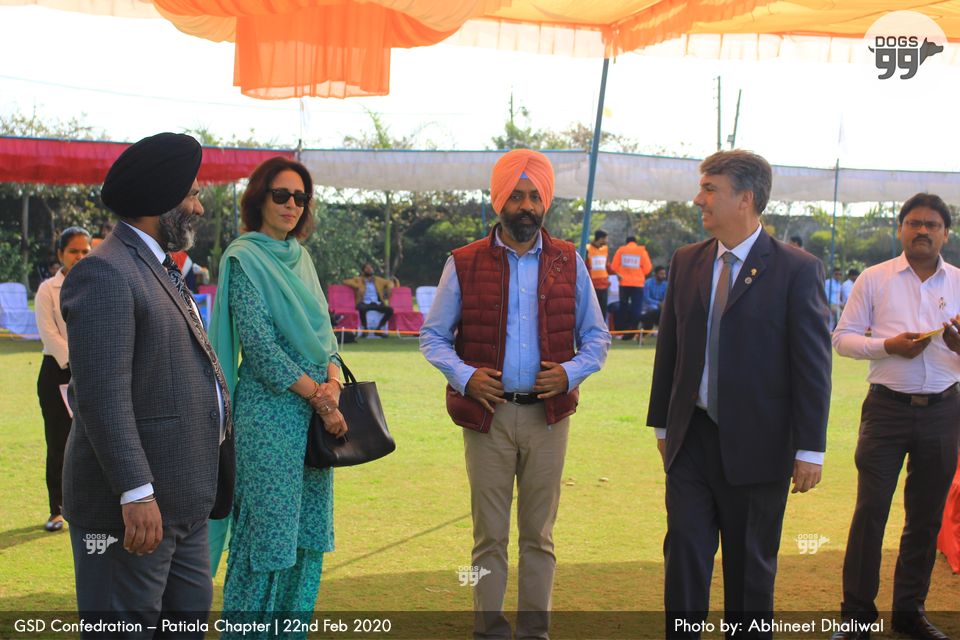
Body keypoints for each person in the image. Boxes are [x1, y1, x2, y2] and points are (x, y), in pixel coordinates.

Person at [420, 149, 610, 640]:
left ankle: (534, 632)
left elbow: (597, 338)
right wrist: (466, 377)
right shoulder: (464, 262)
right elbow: (433, 338)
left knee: (539, 536)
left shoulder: (569, 261)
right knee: (488, 537)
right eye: (516, 196)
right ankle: (489, 631)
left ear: (545, 201)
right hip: (489, 416)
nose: (526, 206)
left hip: (549, 417)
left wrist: (568, 373)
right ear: (498, 200)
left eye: (534, 196)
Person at [646, 149, 831, 638]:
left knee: (750, 570)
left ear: (745, 198)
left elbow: (812, 367)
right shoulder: (686, 261)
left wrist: (810, 448)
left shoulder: (797, 270)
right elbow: (670, 347)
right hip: (691, 440)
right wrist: (662, 424)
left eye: (710, 189)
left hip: (760, 447)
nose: (698, 199)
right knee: (684, 556)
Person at [60, 132, 232, 632]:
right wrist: (136, 493)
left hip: (183, 503)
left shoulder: (156, 266)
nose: (198, 207)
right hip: (133, 512)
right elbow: (101, 397)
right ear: (163, 198)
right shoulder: (105, 272)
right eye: (192, 194)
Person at [208, 156, 346, 634]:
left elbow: (326, 338)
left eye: (300, 198)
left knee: (307, 536)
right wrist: (321, 399)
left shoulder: (301, 258)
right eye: (281, 195)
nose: (292, 205)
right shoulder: (243, 258)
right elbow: (262, 350)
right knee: (265, 540)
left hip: (317, 421)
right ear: (259, 198)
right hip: (269, 419)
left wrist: (333, 384)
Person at [831, 193, 960, 640]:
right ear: (901, 229)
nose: (922, 230)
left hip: (944, 409)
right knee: (871, 513)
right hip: (886, 409)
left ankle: (909, 613)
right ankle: (856, 616)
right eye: (914, 223)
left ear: (946, 233)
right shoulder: (875, 278)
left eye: (932, 224)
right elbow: (843, 339)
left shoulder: (959, 281)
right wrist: (888, 346)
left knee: (926, 517)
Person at [35, 226, 91, 532]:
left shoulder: (98, 283)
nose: (79, 257)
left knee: (94, 442)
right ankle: (56, 510)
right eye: (73, 251)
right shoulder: (47, 289)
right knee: (59, 442)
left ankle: (89, 507)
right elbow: (49, 334)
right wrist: (80, 359)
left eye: (85, 251)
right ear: (60, 254)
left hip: (92, 372)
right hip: (58, 371)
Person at [610, 235, 652, 340]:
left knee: (623, 307)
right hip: (638, 284)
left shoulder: (621, 250)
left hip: (624, 283)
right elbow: (648, 268)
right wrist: (639, 274)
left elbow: (614, 266)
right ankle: (633, 331)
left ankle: (621, 331)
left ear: (626, 242)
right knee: (636, 308)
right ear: (635, 242)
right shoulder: (641, 251)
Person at [342, 262, 394, 336]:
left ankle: (379, 328)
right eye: (367, 268)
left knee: (390, 310)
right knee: (361, 308)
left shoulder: (378, 280)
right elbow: (345, 281)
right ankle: (365, 329)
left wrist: (389, 287)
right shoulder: (359, 280)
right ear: (363, 271)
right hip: (364, 303)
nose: (369, 269)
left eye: (371, 268)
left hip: (376, 303)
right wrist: (357, 286)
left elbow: (390, 282)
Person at [638, 265, 667, 345]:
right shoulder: (648, 283)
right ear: (655, 274)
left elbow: (666, 297)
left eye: (664, 274)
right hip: (647, 305)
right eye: (661, 274)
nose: (663, 276)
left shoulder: (665, 284)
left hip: (660, 306)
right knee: (654, 309)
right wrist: (658, 303)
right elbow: (646, 298)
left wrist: (663, 303)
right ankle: (643, 333)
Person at [587, 229, 612, 315]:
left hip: (604, 285)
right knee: (593, 311)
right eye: (606, 238)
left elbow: (607, 265)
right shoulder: (587, 249)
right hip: (592, 286)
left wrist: (617, 274)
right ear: (601, 239)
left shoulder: (605, 249)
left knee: (603, 311)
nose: (607, 241)